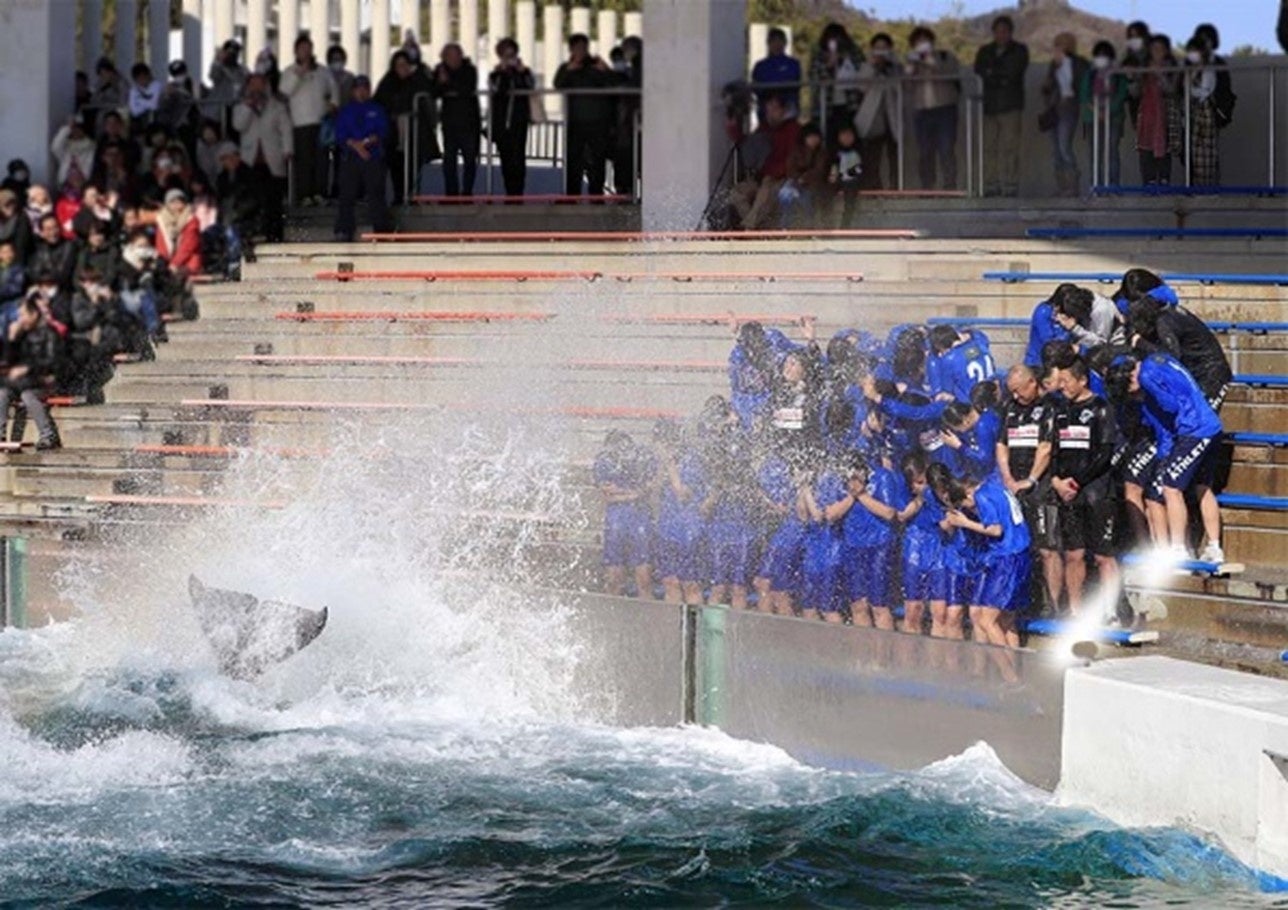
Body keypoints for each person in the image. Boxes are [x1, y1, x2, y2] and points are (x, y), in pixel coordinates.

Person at [1107, 352, 1224, 563]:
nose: (1131, 395)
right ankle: (1214, 547)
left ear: (1130, 377)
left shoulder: (1146, 378)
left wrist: (1149, 391)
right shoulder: (1158, 359)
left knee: (1170, 488)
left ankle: (1179, 549)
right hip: (1210, 424)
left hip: (1194, 430)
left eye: (1128, 389)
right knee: (1202, 487)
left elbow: (1171, 406)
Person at [1048, 357, 1118, 617]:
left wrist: (1076, 482)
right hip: (1067, 493)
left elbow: (1104, 455)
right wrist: (1056, 481)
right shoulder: (1061, 410)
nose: (1061, 386)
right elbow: (1053, 451)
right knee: (1073, 555)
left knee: (1103, 556)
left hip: (1097, 493)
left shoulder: (1101, 408)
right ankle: (1076, 612)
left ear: (1082, 380)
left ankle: (1110, 611)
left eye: (1066, 381)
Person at [996, 363, 1061, 613]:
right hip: (1014, 484)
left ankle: (1055, 605)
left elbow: (1045, 448)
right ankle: (1025, 601)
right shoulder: (1010, 408)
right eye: (1011, 391)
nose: (1015, 396)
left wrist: (1031, 479)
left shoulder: (1049, 407)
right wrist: (1008, 477)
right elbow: (1001, 445)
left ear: (1033, 383)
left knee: (1048, 549)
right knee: (1020, 547)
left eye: (1019, 390)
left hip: (1041, 487)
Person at [944, 473, 1028, 650]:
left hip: (1007, 557)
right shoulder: (995, 485)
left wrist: (965, 523)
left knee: (986, 620)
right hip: (1021, 553)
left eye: (963, 504)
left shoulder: (981, 495)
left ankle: (1007, 668)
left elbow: (996, 530)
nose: (967, 509)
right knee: (1006, 620)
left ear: (968, 494)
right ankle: (1015, 665)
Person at [839, 455, 900, 630]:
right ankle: (862, 647)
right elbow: (830, 514)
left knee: (878, 605)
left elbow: (889, 513)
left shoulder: (882, 476)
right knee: (858, 605)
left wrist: (861, 494)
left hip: (879, 545)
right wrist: (851, 496)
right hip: (852, 545)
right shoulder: (842, 481)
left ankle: (883, 647)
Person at [232, 73, 293, 243]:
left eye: (260, 84)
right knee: (251, 200)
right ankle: (253, 233)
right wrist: (249, 107)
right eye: (253, 85)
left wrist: (288, 150)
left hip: (272, 159)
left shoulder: (277, 106)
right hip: (250, 160)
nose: (257, 88)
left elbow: (286, 129)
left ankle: (275, 235)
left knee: (273, 200)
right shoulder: (241, 107)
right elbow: (238, 126)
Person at [594, 430, 655, 598]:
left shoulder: (642, 462)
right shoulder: (604, 463)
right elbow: (607, 495)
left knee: (644, 579)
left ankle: (647, 612)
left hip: (639, 520)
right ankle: (611, 611)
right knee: (614, 579)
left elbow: (648, 489)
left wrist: (622, 493)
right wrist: (634, 493)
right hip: (616, 522)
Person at [333, 75, 395, 242]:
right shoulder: (346, 111)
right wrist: (356, 145)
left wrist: (365, 143)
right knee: (347, 194)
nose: (361, 92)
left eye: (365, 89)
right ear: (353, 91)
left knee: (376, 193)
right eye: (358, 89)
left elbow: (382, 132)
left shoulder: (377, 109)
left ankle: (381, 228)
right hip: (350, 157)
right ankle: (344, 229)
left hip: (372, 156)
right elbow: (340, 135)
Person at [653, 420, 708, 606]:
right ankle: (671, 623)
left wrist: (670, 464)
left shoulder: (691, 461)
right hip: (667, 529)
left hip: (689, 531)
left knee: (690, 584)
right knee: (669, 581)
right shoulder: (661, 463)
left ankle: (693, 624)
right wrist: (662, 467)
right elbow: (655, 491)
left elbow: (682, 494)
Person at [373, 49, 438, 205]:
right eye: (399, 65)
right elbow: (379, 103)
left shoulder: (417, 81)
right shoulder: (387, 83)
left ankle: (412, 195)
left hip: (414, 131)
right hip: (393, 132)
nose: (402, 68)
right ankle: (399, 195)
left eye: (405, 65)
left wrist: (419, 68)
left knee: (413, 164)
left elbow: (430, 90)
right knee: (396, 164)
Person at [554, 34, 616, 197]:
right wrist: (569, 70)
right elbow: (558, 85)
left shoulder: (596, 65)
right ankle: (572, 194)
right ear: (571, 49)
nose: (581, 51)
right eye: (577, 48)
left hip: (598, 120)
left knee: (597, 159)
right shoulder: (567, 67)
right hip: (576, 121)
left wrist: (606, 71)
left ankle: (596, 193)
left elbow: (613, 84)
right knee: (574, 158)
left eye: (583, 47)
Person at [280, 35, 339, 206]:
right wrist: (300, 73)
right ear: (296, 51)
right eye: (302, 49)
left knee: (321, 160)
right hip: (300, 123)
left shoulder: (322, 71)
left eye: (308, 49)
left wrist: (334, 104)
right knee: (304, 161)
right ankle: (304, 194)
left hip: (321, 122)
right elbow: (285, 91)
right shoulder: (289, 71)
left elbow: (333, 89)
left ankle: (320, 193)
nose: (306, 52)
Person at [975, 15, 1029, 197]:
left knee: (1010, 148)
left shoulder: (1019, 50)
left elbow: (1013, 72)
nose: (1001, 35)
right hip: (989, 106)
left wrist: (993, 73)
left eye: (1004, 31)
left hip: (1011, 105)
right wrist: (997, 75)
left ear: (1010, 32)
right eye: (998, 31)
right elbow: (979, 70)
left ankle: (1010, 184)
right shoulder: (985, 51)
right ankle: (991, 184)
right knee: (989, 147)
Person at [728, 94, 800, 231]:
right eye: (768, 109)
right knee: (737, 193)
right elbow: (747, 143)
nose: (770, 113)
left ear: (783, 110)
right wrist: (733, 126)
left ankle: (749, 227)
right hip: (761, 178)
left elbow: (793, 159)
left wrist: (773, 173)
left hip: (783, 178)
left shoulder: (793, 129)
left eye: (774, 109)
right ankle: (755, 229)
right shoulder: (764, 128)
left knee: (765, 192)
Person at [1, 298, 63, 448]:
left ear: (34, 314)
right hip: (23, 382)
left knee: (27, 396)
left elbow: (53, 362)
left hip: (45, 381)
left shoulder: (50, 333)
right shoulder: (21, 335)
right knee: (2, 393)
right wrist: (12, 339)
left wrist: (28, 369)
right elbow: (8, 360)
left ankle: (48, 436)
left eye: (23, 315)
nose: (20, 319)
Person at [906, 27, 961, 190]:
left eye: (925, 40)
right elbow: (906, 86)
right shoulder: (913, 61)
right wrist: (910, 67)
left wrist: (930, 61)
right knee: (924, 151)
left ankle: (950, 185)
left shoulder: (945, 56)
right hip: (922, 111)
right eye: (918, 42)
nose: (922, 44)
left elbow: (952, 73)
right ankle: (927, 186)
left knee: (946, 148)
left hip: (945, 110)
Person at [433, 43, 482, 198]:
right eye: (449, 57)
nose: (453, 59)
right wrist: (441, 83)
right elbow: (434, 92)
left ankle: (467, 192)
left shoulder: (470, 70)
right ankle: (451, 193)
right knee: (449, 159)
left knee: (470, 158)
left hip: (469, 121)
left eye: (456, 56)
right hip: (449, 122)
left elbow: (466, 89)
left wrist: (448, 83)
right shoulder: (440, 70)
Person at [1042, 33, 1089, 196]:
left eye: (1063, 44)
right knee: (1055, 150)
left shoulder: (1079, 63)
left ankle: (1072, 185)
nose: (1060, 47)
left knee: (1064, 147)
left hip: (1069, 106)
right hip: (1054, 107)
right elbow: (1047, 87)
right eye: (1058, 44)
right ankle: (1062, 186)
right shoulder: (1053, 64)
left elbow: (1082, 83)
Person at [854, 33, 902, 191]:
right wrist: (873, 66)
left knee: (895, 156)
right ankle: (875, 188)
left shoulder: (896, 67)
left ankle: (895, 188)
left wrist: (891, 65)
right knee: (873, 156)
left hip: (893, 117)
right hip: (874, 118)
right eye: (878, 48)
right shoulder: (866, 66)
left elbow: (902, 88)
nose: (881, 51)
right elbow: (861, 87)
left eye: (884, 48)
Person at [489, 38, 535, 198]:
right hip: (502, 122)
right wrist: (502, 72)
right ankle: (510, 191)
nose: (510, 59)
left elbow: (530, 87)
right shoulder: (496, 74)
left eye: (512, 55)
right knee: (506, 158)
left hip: (519, 120)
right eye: (506, 55)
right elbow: (497, 90)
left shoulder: (524, 73)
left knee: (519, 157)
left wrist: (522, 71)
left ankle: (518, 192)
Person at [1080, 41, 1129, 187]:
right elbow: (1084, 95)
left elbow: (1121, 94)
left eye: (1105, 55)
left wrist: (1108, 111)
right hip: (1092, 118)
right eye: (1098, 55)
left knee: (1112, 151)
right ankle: (1096, 185)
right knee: (1095, 152)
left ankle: (1113, 186)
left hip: (1114, 118)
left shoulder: (1118, 74)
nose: (1101, 58)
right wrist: (1096, 111)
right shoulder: (1090, 73)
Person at [1134, 35, 1180, 186]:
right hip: (1146, 116)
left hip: (1165, 115)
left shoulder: (1172, 68)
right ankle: (1149, 182)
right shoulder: (1143, 68)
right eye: (1154, 49)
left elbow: (1172, 90)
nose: (1157, 52)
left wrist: (1160, 75)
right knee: (1145, 150)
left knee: (1164, 148)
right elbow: (1135, 92)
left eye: (1160, 49)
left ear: (1166, 51)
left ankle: (1164, 181)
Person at [809, 22, 864, 143]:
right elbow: (815, 77)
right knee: (829, 139)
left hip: (850, 104)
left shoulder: (854, 52)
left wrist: (845, 59)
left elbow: (861, 71)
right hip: (826, 105)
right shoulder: (819, 54)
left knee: (851, 139)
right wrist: (829, 65)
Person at [1183, 37, 1220, 186]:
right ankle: (1199, 186)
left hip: (1206, 111)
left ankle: (1208, 188)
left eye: (1194, 51)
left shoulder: (1208, 70)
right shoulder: (1192, 71)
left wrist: (1191, 90)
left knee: (1207, 153)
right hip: (1195, 111)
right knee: (1196, 152)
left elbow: (1205, 91)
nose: (1192, 55)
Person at [777, 123, 829, 227]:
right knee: (785, 195)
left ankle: (808, 226)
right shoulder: (795, 151)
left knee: (807, 199)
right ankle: (785, 226)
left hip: (813, 185)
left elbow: (819, 170)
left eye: (815, 137)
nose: (813, 140)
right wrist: (797, 179)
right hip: (794, 182)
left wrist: (804, 178)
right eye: (810, 137)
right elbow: (790, 169)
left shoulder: (822, 153)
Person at [928, 324, 996, 403]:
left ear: (939, 345)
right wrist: (968, 335)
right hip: (992, 395)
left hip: (970, 403)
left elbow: (947, 389)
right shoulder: (980, 343)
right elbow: (980, 335)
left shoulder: (949, 359)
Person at [1192, 23, 1236, 131]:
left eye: (1207, 40)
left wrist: (1221, 111)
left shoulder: (1219, 63)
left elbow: (1224, 88)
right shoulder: (1190, 61)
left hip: (1211, 110)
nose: (1204, 44)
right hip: (1192, 109)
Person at [751, 27, 801, 120]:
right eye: (773, 41)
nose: (777, 44)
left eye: (780, 41)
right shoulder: (760, 66)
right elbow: (756, 87)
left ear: (785, 43)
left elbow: (793, 83)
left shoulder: (793, 64)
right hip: (765, 111)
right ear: (768, 43)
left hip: (788, 110)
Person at [154, 188, 202, 278]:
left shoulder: (192, 220)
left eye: (179, 201)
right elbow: (161, 245)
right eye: (172, 201)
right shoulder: (162, 219)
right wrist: (163, 263)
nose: (176, 204)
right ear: (167, 204)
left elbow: (188, 246)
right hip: (170, 261)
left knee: (176, 277)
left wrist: (174, 264)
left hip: (188, 262)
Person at [51, 115, 96, 189]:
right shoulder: (66, 146)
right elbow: (55, 147)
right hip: (65, 183)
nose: (76, 132)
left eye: (79, 129)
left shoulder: (91, 146)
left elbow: (90, 165)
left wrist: (81, 178)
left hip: (83, 183)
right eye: (74, 129)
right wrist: (68, 128)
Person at [208, 40, 250, 116]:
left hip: (237, 110)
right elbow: (213, 75)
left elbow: (248, 81)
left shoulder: (242, 70)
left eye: (236, 53)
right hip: (218, 111)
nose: (233, 55)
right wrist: (219, 60)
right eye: (230, 53)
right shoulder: (218, 67)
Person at [1121, 20, 1151, 128]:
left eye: (1137, 36)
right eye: (1131, 37)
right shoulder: (1127, 56)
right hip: (1133, 97)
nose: (1134, 40)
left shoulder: (1151, 55)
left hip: (1151, 97)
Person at [0, 190, 33, 266]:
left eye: (13, 203)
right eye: (7, 204)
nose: (11, 207)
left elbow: (21, 244)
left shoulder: (21, 218)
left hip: (16, 258)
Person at [127, 63, 163, 132]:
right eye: (139, 79)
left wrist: (139, 101)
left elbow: (154, 106)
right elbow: (134, 111)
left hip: (155, 117)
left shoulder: (157, 86)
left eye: (143, 77)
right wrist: (147, 103)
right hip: (139, 120)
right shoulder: (134, 90)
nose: (142, 81)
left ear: (148, 75)